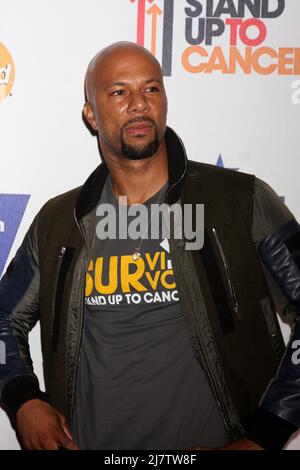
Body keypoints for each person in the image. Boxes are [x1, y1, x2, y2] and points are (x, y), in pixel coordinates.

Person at [0, 41, 299, 451]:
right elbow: (2, 318)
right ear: (91, 114)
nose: (139, 105)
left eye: (152, 89)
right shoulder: (60, 222)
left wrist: (266, 434)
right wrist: (24, 400)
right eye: (119, 92)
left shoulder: (240, 200)